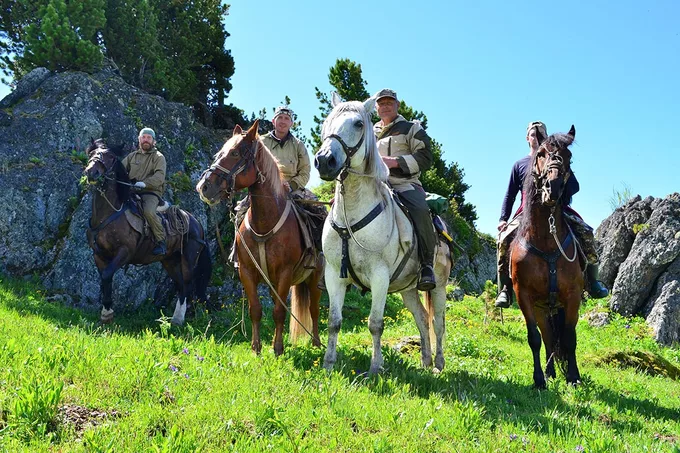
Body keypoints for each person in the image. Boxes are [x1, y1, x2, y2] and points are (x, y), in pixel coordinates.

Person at [494, 121, 608, 308]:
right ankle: (505, 288)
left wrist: (564, 174)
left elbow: (574, 188)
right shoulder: (520, 165)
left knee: (586, 232)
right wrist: (503, 219)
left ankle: (592, 281)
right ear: (527, 138)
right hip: (526, 213)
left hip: (558, 210)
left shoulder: (556, 159)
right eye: (532, 133)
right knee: (504, 240)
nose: (535, 136)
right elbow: (510, 193)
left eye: (540, 133)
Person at [374, 88, 437, 291]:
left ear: (397, 105)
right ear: (376, 108)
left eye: (389, 103)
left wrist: (394, 162)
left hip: (404, 184)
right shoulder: (367, 131)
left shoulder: (411, 129)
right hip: (374, 184)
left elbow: (426, 157)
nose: (385, 106)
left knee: (420, 210)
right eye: (381, 103)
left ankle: (427, 265)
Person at [122, 127, 167, 255]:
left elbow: (159, 177)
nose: (145, 140)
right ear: (139, 139)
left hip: (151, 192)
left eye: (149, 137)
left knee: (148, 211)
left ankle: (161, 241)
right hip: (131, 190)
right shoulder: (131, 156)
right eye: (143, 137)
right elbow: (120, 169)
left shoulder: (159, 157)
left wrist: (145, 184)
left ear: (154, 141)